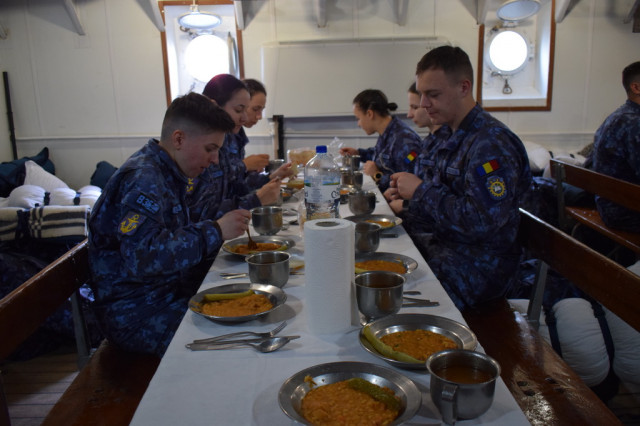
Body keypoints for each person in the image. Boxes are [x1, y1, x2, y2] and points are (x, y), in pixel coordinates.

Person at [88, 93, 250, 356]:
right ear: (178, 139)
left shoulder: (169, 171)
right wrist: (217, 230)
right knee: (240, 341)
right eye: (210, 149)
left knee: (251, 303)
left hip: (168, 295)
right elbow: (143, 258)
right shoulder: (144, 178)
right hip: (138, 314)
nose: (215, 159)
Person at [388, 46, 532, 310]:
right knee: (377, 265)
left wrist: (420, 192)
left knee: (390, 302)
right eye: (421, 94)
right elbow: (440, 206)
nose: (424, 104)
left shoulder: (491, 143)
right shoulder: (448, 135)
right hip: (445, 249)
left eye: (433, 95)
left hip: (479, 267)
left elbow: (481, 222)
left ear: (464, 88)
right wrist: (407, 201)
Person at [189, 74, 291, 220]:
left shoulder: (229, 136)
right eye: (239, 110)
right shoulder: (197, 144)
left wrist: (269, 178)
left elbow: (233, 187)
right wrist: (255, 197)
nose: (245, 118)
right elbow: (202, 214)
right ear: (214, 106)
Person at [339, 89, 423, 192]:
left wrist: (377, 175)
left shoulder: (405, 141)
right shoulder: (387, 132)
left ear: (369, 114)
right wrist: (358, 153)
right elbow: (383, 157)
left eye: (358, 118)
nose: (358, 124)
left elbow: (408, 185)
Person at [592, 61, 640, 232]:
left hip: (611, 203)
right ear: (636, 87)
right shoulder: (633, 122)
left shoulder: (620, 115)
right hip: (625, 211)